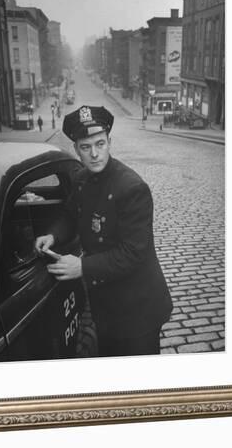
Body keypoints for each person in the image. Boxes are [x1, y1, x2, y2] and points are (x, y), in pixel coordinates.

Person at [35, 105, 172, 357]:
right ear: (77, 149)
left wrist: (81, 267)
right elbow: (69, 215)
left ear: (110, 142)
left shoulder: (131, 188)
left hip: (137, 309)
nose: (94, 154)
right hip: (105, 305)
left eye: (100, 144)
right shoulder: (81, 180)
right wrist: (53, 235)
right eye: (86, 147)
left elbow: (133, 253)